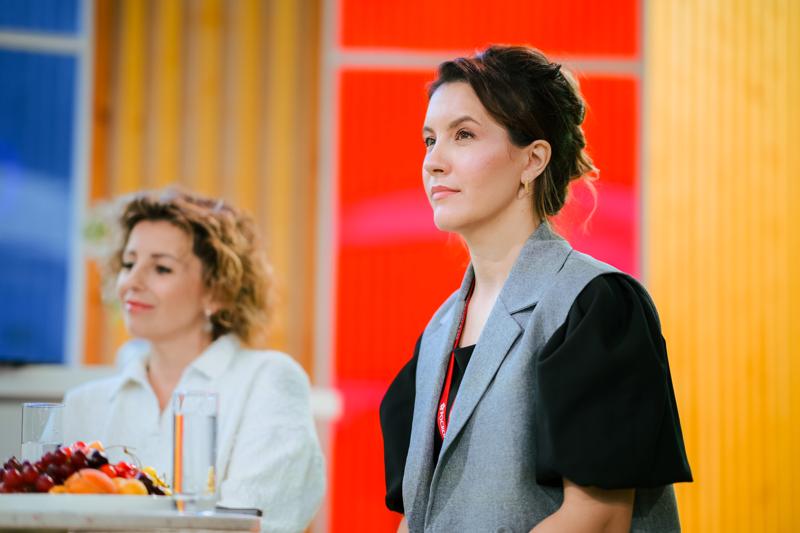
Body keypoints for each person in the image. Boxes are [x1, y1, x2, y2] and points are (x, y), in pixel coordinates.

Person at [379, 45, 692, 532]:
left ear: (533, 160)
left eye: (463, 135)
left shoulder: (594, 304)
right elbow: (414, 518)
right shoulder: (438, 332)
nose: (434, 162)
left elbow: (598, 519)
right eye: (429, 140)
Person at [64, 189, 325, 533]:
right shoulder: (82, 405)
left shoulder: (269, 380)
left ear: (217, 290)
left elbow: (256, 525)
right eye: (129, 264)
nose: (131, 282)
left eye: (161, 268)